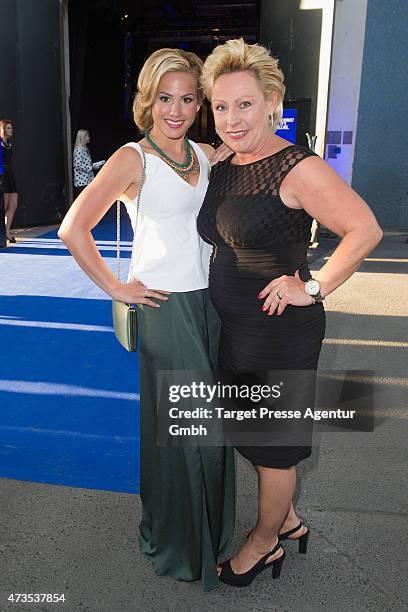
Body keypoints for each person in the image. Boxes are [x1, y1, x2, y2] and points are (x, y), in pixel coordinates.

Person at [197, 38, 383, 587]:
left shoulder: (297, 168)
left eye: (246, 104)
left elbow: (364, 229)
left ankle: (263, 544)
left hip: (279, 332)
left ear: (273, 101)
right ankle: (292, 520)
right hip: (236, 329)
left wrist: (315, 284)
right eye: (222, 106)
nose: (232, 119)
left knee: (273, 449)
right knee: (251, 433)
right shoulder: (226, 159)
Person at [58, 48, 235, 591]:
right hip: (166, 308)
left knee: (212, 428)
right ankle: (182, 544)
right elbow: (72, 227)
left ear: (200, 102)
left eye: (186, 98)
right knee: (186, 433)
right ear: (147, 101)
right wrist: (116, 286)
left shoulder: (207, 154)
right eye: (165, 98)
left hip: (213, 306)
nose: (175, 109)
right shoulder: (131, 158)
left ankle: (213, 534)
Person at [72, 129, 105, 199]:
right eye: (87, 136)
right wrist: (91, 167)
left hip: (87, 180)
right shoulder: (79, 150)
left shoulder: (84, 149)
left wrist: (94, 165)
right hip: (82, 182)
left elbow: (84, 163)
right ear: (82, 137)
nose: (89, 137)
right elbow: (77, 165)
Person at [0, 119, 18, 243]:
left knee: (13, 204)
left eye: (11, 128)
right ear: (3, 129)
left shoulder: (9, 143)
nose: (11, 130)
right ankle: (3, 233)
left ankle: (7, 230)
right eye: (8, 128)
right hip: (2, 175)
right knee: (4, 205)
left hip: (10, 174)